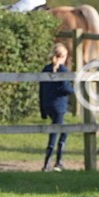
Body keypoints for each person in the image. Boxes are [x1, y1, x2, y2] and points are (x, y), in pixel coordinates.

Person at [39, 42, 74, 171]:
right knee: (55, 132)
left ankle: (57, 161)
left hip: (48, 104)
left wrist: (42, 108)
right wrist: (74, 91)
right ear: (63, 57)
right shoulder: (63, 71)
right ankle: (50, 163)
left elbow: (41, 90)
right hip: (59, 106)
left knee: (63, 130)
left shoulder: (45, 69)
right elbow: (64, 88)